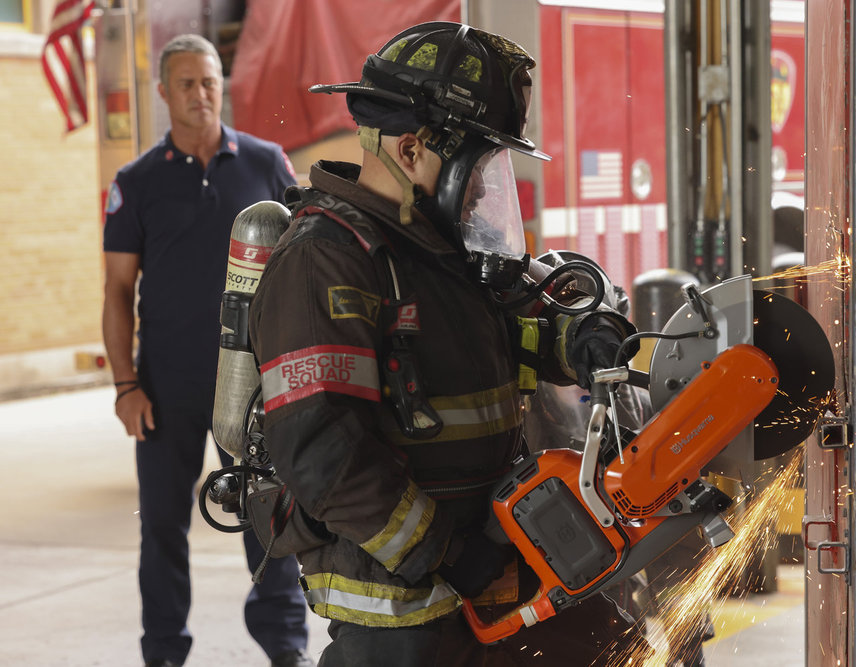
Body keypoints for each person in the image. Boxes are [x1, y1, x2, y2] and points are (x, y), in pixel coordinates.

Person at [246, 22, 645, 666]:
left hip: (494, 563)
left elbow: (514, 320)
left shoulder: (436, 247)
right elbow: (323, 451)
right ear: (412, 152)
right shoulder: (326, 262)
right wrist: (448, 553)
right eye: (478, 167)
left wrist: (584, 337)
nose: (486, 190)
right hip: (401, 608)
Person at [101, 33, 313, 667]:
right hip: (164, 388)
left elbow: (302, 268)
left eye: (211, 80)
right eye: (187, 83)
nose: (202, 94)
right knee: (162, 529)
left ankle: (286, 649)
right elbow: (116, 290)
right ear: (163, 92)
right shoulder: (136, 182)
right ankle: (164, 653)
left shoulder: (267, 163)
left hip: (251, 386)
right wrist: (124, 385)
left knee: (267, 524)